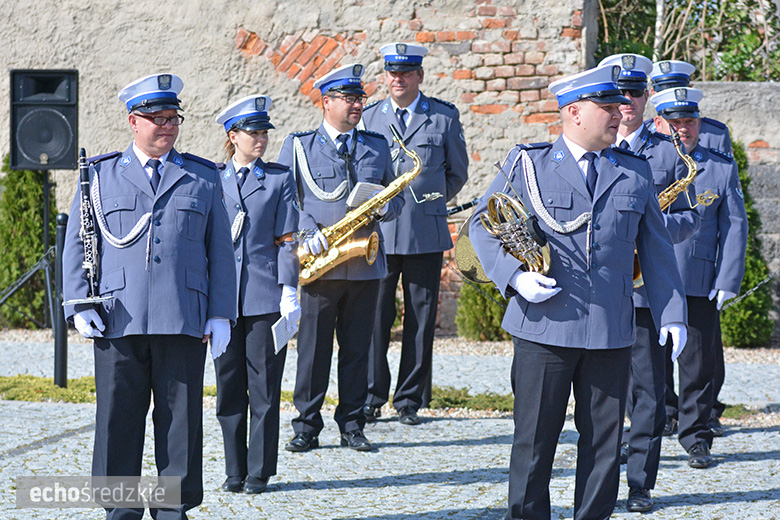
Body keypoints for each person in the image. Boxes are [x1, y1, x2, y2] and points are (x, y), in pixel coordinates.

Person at [469, 64, 688, 520]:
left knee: (604, 447)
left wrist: (672, 314)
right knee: (534, 441)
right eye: (607, 106)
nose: (619, 113)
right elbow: (481, 227)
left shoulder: (634, 172)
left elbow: (657, 250)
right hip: (543, 327)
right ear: (573, 112)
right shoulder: (529, 163)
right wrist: (514, 276)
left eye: (619, 105)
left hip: (609, 330)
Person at [62, 73, 236, 520]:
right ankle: (120, 513)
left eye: (173, 118)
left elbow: (220, 248)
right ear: (132, 121)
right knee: (118, 420)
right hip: (119, 318)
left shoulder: (202, 176)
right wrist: (78, 303)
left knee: (180, 424)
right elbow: (81, 244)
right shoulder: (100, 176)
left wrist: (220, 313)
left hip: (183, 318)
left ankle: (172, 511)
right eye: (156, 118)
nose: (167, 126)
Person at [276, 63, 403, 452]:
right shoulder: (299, 145)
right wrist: (306, 230)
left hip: (364, 264)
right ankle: (306, 426)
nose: (357, 105)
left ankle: (352, 424)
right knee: (313, 350)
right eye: (349, 99)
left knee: (358, 349)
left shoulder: (377, 145)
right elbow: (285, 198)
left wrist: (384, 210)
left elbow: (394, 198)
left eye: (360, 98)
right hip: (319, 263)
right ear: (326, 102)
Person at [601, 53, 700, 513]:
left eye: (636, 93)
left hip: (643, 293)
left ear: (648, 99)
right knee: (602, 395)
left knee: (648, 395)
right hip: (600, 291)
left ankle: (640, 483)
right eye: (620, 93)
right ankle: (598, 480)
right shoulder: (593, 145)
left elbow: (690, 217)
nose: (627, 102)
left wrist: (657, 225)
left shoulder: (668, 153)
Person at [360, 42, 469, 426]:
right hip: (381, 234)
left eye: (406, 72)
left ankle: (409, 399)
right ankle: (371, 396)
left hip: (425, 231)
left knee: (421, 318)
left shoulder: (441, 117)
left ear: (420, 76)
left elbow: (457, 172)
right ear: (385, 76)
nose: (398, 79)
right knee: (375, 316)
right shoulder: (369, 118)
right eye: (392, 72)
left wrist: (430, 202)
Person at [650, 87, 748, 468]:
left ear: (698, 124)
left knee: (698, 364)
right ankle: (647, 431)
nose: (683, 129)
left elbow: (735, 226)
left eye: (689, 121)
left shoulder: (720, 166)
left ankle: (696, 436)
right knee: (647, 365)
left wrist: (728, 278)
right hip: (649, 281)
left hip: (699, 278)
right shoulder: (639, 160)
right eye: (674, 122)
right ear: (659, 124)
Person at [212, 95, 300, 494]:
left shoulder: (279, 179)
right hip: (223, 301)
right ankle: (234, 469)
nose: (261, 138)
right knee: (229, 386)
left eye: (264, 131)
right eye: (253, 132)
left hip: (265, 297)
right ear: (233, 136)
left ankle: (259, 472)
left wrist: (289, 290)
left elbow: (286, 240)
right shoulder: (212, 178)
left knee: (264, 387)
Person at [647, 60, 733, 155]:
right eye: (663, 92)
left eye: (679, 90)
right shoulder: (644, 133)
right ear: (653, 93)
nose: (672, 96)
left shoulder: (716, 134)